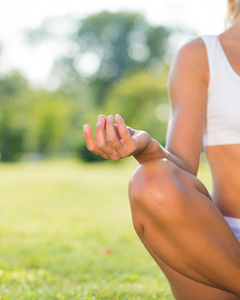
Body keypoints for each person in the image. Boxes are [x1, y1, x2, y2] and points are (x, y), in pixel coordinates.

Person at [82, 1, 240, 299]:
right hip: (223, 248)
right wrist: (147, 147)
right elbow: (180, 169)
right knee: (151, 181)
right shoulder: (202, 55)